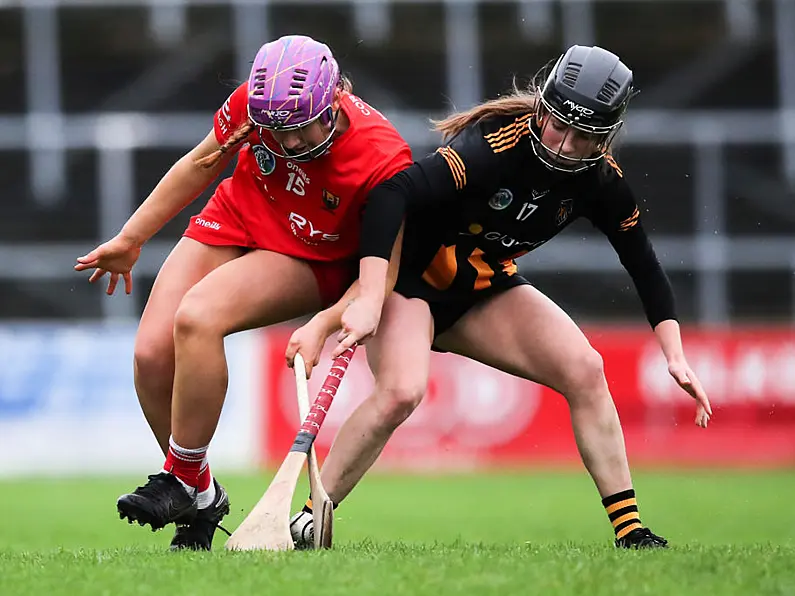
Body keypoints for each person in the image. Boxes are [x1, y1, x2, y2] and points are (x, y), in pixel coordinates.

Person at [285, 45, 713, 549]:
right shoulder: (492, 147)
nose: (565, 145)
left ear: (607, 138)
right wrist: (372, 295)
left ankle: (631, 531)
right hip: (411, 284)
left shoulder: (602, 182)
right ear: (541, 110)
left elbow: (641, 260)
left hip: (482, 290)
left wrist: (675, 354)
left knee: (585, 369)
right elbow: (390, 195)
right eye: (559, 125)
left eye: (584, 137)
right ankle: (310, 520)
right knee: (401, 392)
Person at [74, 34, 412, 550]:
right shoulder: (258, 107)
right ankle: (202, 492)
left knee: (198, 318)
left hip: (310, 255)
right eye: (277, 130)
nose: (289, 143)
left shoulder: (382, 156)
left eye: (300, 128)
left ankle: (183, 480)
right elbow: (200, 165)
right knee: (149, 354)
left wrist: (329, 319)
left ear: (334, 99)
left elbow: (382, 275)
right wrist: (131, 237)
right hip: (236, 217)